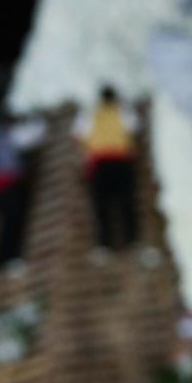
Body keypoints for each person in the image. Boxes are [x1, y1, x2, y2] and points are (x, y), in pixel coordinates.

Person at [73, 86, 147, 265]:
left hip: (99, 163)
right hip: (121, 161)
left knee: (102, 205)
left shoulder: (89, 115)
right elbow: (136, 127)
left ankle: (105, 243)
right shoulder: (123, 112)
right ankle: (132, 239)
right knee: (126, 202)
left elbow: (77, 135)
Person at [0, 114, 46, 276]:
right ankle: (8, 258)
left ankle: (1, 259)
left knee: (8, 220)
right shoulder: (11, 134)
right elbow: (34, 137)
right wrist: (39, 122)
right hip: (9, 183)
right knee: (13, 220)